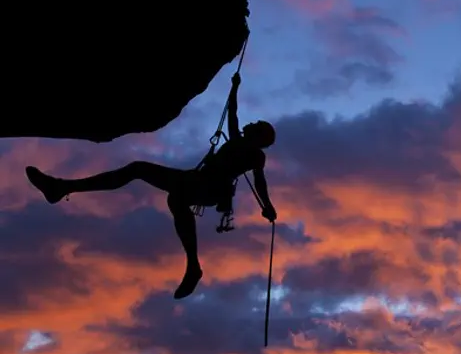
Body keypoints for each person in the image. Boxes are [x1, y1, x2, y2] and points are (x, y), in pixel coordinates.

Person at [25, 73, 277, 300]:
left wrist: (267, 207)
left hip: (207, 187)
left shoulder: (254, 154)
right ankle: (61, 187)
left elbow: (259, 181)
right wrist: (234, 87)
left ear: (260, 137)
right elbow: (232, 113)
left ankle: (61, 187)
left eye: (257, 125)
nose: (252, 123)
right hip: (196, 181)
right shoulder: (238, 141)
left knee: (158, 185)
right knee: (158, 186)